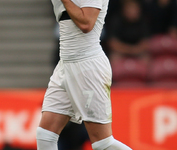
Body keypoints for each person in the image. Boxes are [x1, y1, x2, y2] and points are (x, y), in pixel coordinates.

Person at [36, 0, 132, 150]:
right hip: (65, 64)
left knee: (102, 143)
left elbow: (86, 23)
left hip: (88, 66)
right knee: (45, 135)